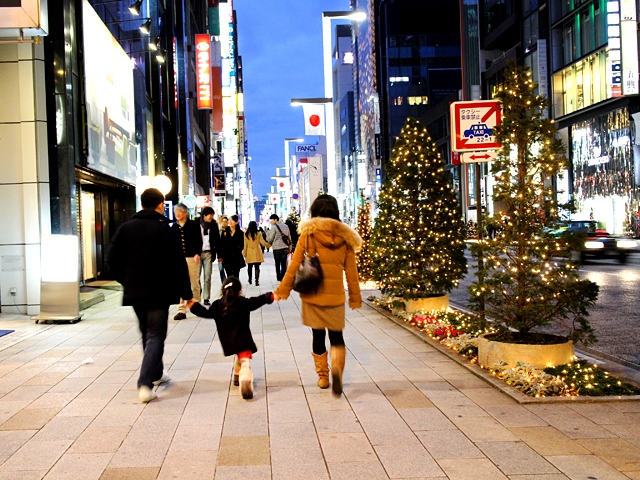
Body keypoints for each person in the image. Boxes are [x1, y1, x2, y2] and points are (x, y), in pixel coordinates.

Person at [106, 188, 193, 403]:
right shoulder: (165, 230)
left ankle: (156, 373)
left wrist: (125, 280)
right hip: (159, 291)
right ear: (160, 205)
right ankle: (145, 384)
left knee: (147, 331)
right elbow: (178, 264)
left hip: (135, 291)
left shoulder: (126, 228)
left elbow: (110, 259)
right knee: (155, 335)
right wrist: (186, 293)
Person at [274, 195, 362, 396]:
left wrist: (283, 290)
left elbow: (294, 265)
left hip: (313, 295)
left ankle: (323, 377)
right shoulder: (346, 238)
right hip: (335, 296)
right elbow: (351, 272)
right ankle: (338, 369)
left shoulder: (308, 235)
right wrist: (355, 297)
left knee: (318, 335)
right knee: (337, 335)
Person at [188, 277, 274, 399]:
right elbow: (258, 300)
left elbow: (205, 313)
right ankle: (245, 377)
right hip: (243, 340)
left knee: (239, 357)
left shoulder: (217, 305)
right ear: (240, 291)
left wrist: (194, 306)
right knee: (245, 361)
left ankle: (237, 375)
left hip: (228, 343)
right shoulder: (244, 302)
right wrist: (270, 296)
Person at [171, 203, 203, 320]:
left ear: (185, 213)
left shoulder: (193, 225)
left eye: (179, 211)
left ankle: (196, 305)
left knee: (194, 281)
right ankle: (181, 309)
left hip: (191, 257)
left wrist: (197, 253)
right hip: (178, 258)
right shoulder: (173, 227)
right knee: (180, 283)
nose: (177, 214)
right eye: (176, 212)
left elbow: (199, 241)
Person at [199, 206, 220, 306]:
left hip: (208, 253)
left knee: (207, 276)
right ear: (204, 215)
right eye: (210, 215)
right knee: (196, 277)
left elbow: (217, 241)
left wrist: (219, 254)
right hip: (198, 254)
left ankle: (206, 297)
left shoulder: (214, 226)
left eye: (212, 215)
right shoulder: (196, 224)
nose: (211, 217)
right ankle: (198, 293)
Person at [243, 221, 271, 286]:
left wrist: (244, 253)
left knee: (249, 267)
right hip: (257, 251)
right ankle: (257, 281)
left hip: (249, 252)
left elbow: (245, 245)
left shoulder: (246, 234)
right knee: (257, 267)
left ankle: (250, 279)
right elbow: (262, 242)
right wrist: (268, 245)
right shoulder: (259, 233)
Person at [265, 214, 291, 281]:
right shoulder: (286, 226)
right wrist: (290, 247)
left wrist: (268, 240)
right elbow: (289, 237)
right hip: (285, 247)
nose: (271, 221)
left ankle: (278, 277)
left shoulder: (274, 227)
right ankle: (283, 276)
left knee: (277, 263)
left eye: (272, 220)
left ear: (275, 219)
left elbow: (271, 238)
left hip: (277, 248)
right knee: (283, 263)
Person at [219, 214, 245, 278]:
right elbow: (221, 245)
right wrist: (221, 256)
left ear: (236, 222)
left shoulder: (240, 233)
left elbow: (242, 245)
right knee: (229, 275)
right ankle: (230, 287)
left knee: (236, 275)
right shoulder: (225, 232)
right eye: (229, 220)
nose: (230, 221)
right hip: (227, 258)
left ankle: (236, 287)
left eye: (232, 220)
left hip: (236, 257)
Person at [218, 216, 229, 282]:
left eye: (226, 222)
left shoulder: (230, 231)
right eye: (223, 222)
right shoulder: (218, 231)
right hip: (220, 254)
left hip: (228, 254)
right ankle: (224, 282)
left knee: (228, 269)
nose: (224, 223)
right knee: (221, 269)